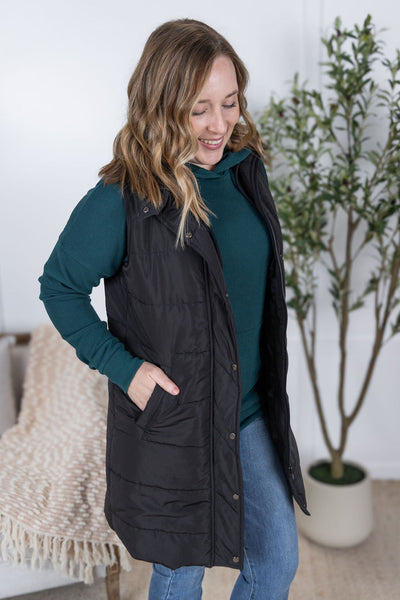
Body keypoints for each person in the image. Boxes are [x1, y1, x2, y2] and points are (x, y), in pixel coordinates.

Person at [39, 18, 309, 600]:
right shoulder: (121, 198)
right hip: (176, 422)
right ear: (162, 107)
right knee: (180, 573)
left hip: (249, 411)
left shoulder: (245, 171)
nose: (220, 125)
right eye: (199, 109)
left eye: (230, 103)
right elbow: (59, 287)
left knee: (275, 562)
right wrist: (125, 369)